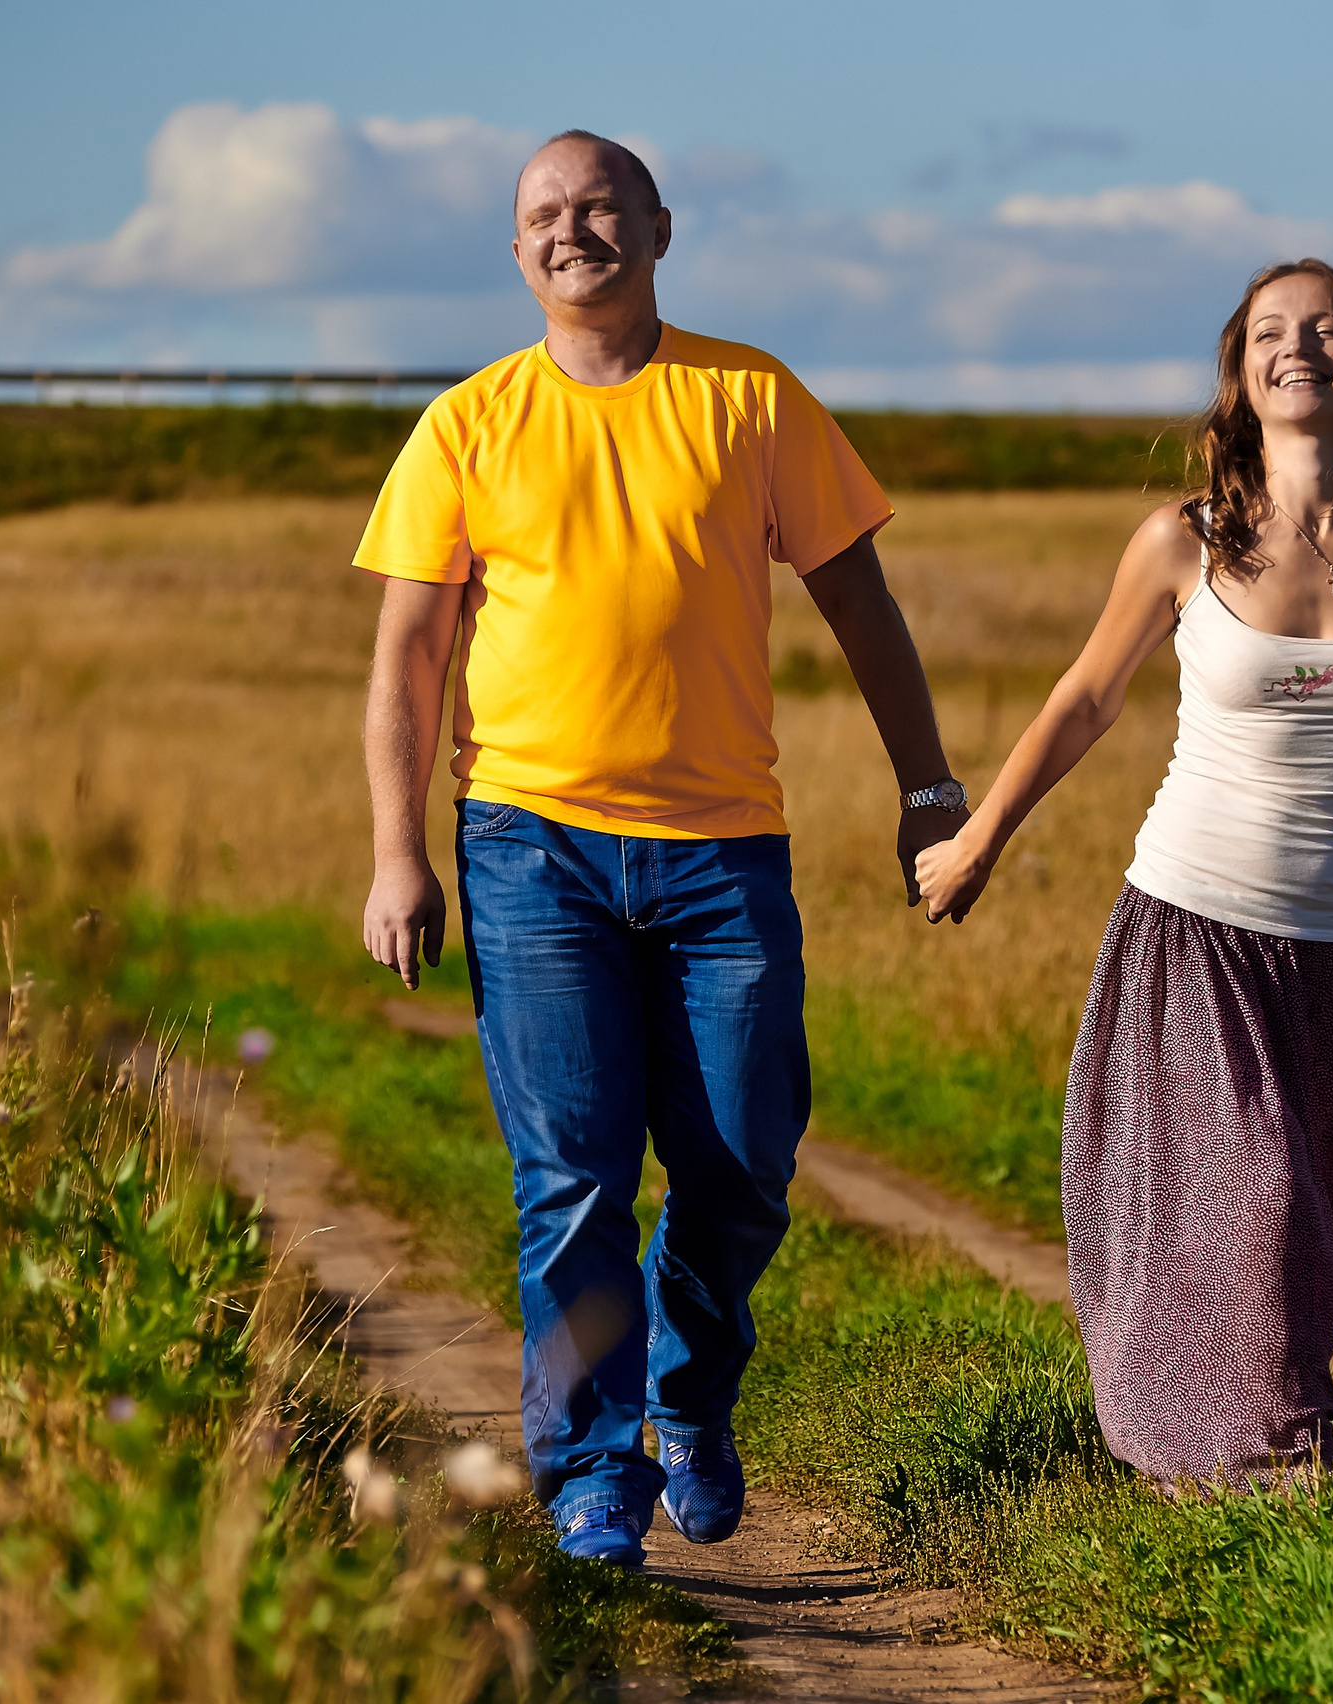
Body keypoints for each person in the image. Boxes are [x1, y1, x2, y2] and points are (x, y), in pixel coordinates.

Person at [356, 130, 968, 1566]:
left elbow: (862, 604)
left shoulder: (748, 397)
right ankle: (590, 1469)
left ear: (660, 228)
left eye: (603, 209)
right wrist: (399, 853)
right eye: (546, 217)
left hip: (720, 855)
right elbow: (406, 660)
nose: (577, 233)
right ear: (518, 253)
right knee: (572, 1175)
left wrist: (929, 789)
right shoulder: (466, 423)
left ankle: (688, 1402)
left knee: (745, 1160)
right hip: (529, 849)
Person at [914, 259, 1333, 1490]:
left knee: (1300, 1241)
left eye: (1327, 330)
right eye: (1271, 332)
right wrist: (978, 841)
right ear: (1238, 368)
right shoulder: (1183, 541)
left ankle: (1204, 1477)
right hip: (1197, 933)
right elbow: (1083, 700)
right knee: (1261, 1217)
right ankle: (1283, 1489)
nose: (1299, 349)